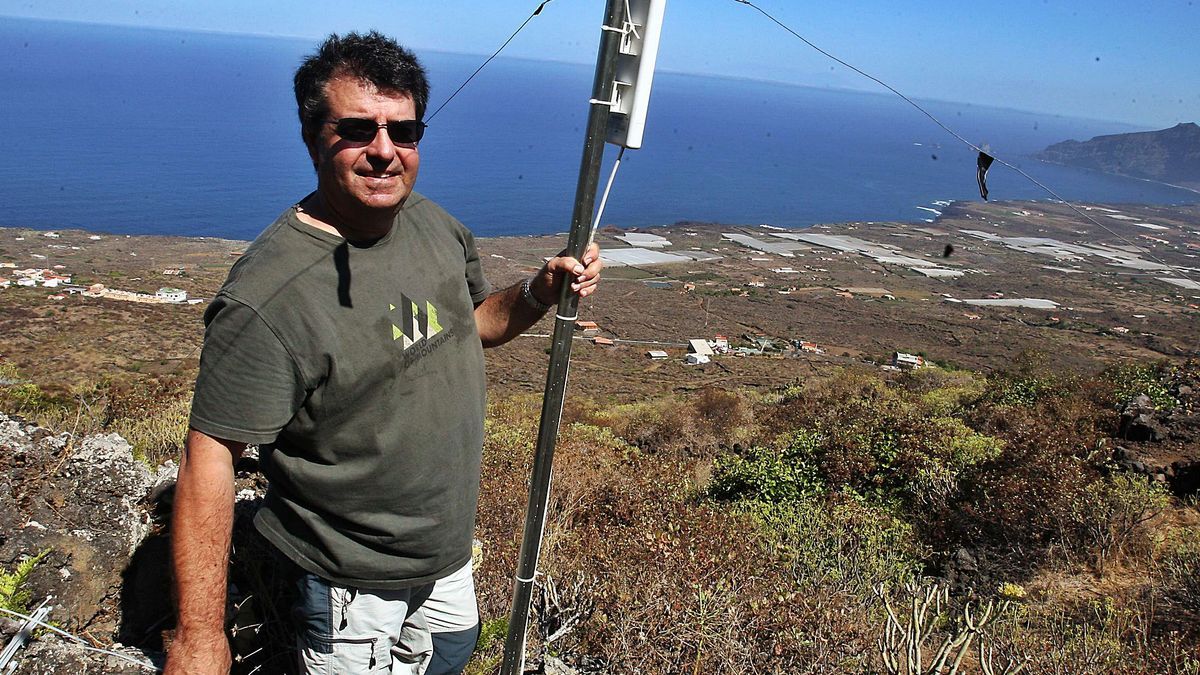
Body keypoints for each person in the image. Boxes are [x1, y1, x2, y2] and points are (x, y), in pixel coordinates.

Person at [166, 31, 602, 675]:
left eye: (403, 132)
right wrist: (198, 638)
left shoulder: (433, 225)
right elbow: (210, 460)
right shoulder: (269, 297)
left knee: (451, 654)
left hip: (445, 552)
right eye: (357, 130)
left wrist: (537, 293)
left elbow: (472, 324)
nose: (384, 153)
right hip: (351, 580)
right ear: (314, 137)